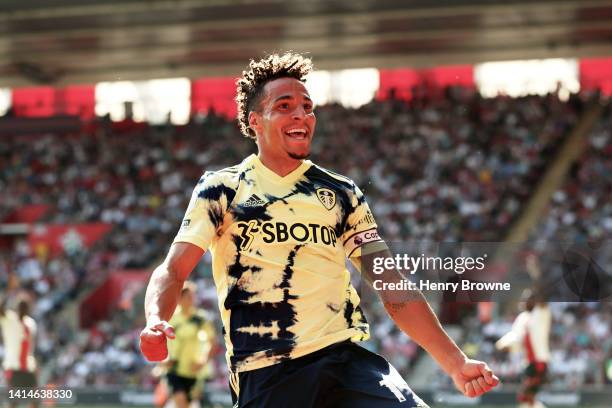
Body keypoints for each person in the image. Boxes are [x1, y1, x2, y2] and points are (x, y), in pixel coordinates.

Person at [140, 52, 499, 407]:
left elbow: (392, 285)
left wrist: (455, 362)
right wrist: (156, 319)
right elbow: (173, 270)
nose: (301, 114)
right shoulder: (222, 188)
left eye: (307, 107)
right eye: (284, 106)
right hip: (266, 369)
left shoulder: (342, 192)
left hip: (345, 361)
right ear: (255, 121)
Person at [162, 282, 215, 408]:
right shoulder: (170, 318)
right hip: (173, 368)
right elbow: (161, 341)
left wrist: (203, 361)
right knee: (181, 401)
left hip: (193, 370)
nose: (192, 300)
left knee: (188, 404)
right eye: (188, 297)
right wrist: (163, 359)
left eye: (193, 296)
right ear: (179, 299)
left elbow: (212, 342)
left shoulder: (200, 318)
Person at [496, 291, 551, 408]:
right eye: (524, 299)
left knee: (526, 396)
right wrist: (503, 344)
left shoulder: (541, 313)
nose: (526, 302)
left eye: (529, 299)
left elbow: (543, 302)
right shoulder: (522, 318)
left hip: (539, 362)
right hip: (529, 362)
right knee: (528, 397)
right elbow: (516, 337)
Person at [0, 295, 38, 408]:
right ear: (17, 308)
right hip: (13, 366)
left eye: (25, 307)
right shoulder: (9, 319)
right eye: (21, 306)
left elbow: (31, 346)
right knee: (14, 400)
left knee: (35, 399)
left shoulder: (30, 323)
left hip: (28, 367)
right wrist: (8, 293)